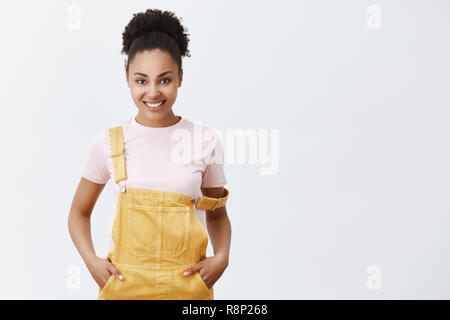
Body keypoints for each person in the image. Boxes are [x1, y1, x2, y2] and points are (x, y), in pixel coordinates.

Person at [68, 9, 231, 300]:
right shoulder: (107, 143)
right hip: (123, 286)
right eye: (142, 81)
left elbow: (216, 212)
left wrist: (222, 258)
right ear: (127, 79)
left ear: (180, 77)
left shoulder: (204, 141)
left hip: (188, 289)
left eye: (164, 80)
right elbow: (79, 212)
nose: (153, 92)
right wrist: (91, 262)